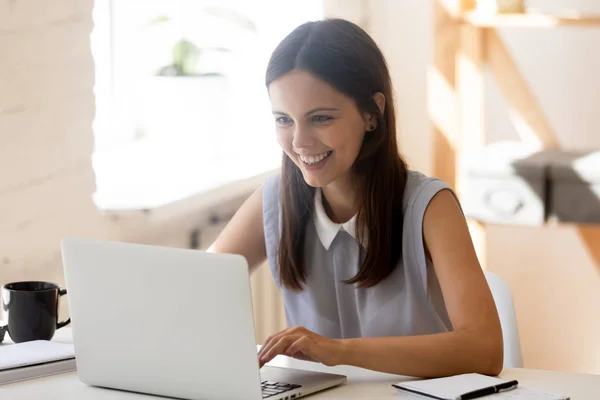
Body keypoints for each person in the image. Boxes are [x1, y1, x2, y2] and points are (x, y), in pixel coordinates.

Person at [208, 18, 503, 378]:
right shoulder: (273, 200)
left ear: (371, 114)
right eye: (284, 120)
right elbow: (192, 289)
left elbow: (485, 350)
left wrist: (340, 351)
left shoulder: (429, 206)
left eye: (320, 118)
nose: (300, 141)